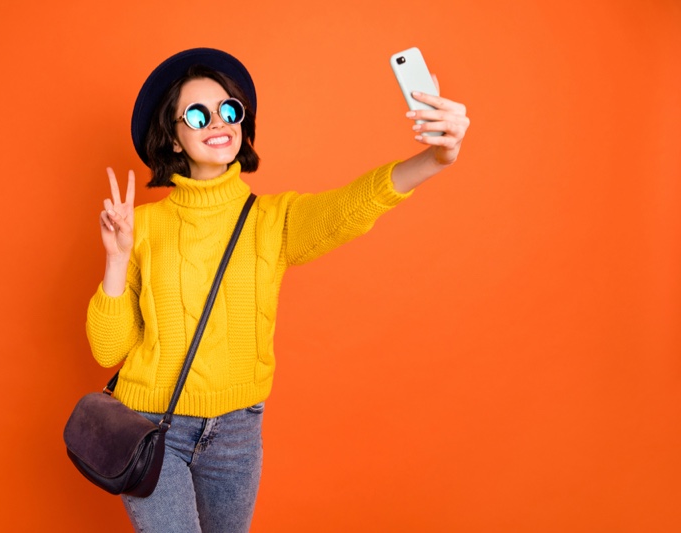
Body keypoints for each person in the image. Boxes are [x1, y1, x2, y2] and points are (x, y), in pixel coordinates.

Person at [85, 47, 469, 533]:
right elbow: (107, 349)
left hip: (236, 435)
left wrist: (438, 157)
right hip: (153, 426)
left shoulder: (273, 220)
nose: (217, 122)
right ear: (174, 139)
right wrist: (117, 256)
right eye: (197, 114)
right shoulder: (140, 226)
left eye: (229, 110)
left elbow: (356, 201)